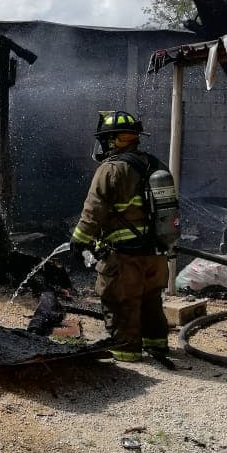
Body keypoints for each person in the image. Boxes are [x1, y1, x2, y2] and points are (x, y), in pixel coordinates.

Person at [69, 110, 171, 363]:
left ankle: (127, 351)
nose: (103, 144)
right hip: (156, 255)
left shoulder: (111, 169)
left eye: (105, 139)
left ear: (114, 140)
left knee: (120, 301)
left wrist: (79, 239)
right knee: (151, 301)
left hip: (125, 257)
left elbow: (94, 209)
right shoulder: (154, 164)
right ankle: (157, 344)